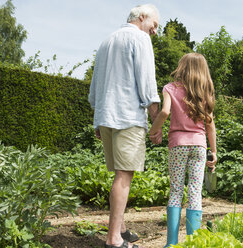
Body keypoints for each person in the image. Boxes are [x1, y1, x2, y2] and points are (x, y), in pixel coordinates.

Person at [88, 4, 161, 248]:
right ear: (142, 18)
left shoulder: (107, 41)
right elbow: (147, 84)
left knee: (118, 175)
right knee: (124, 176)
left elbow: (95, 85)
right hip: (127, 117)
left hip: (106, 117)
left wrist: (98, 118)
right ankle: (114, 240)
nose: (154, 31)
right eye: (154, 25)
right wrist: (157, 122)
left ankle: (121, 228)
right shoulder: (139, 39)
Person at [149, 53, 218, 248]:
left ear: (182, 67)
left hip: (178, 145)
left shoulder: (170, 88)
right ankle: (192, 243)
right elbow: (210, 124)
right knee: (195, 192)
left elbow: (164, 112)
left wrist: (154, 130)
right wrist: (214, 151)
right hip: (199, 146)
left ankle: (171, 244)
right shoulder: (205, 92)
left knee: (176, 191)